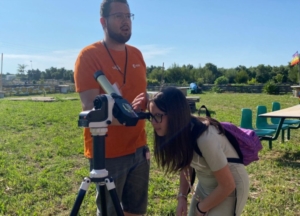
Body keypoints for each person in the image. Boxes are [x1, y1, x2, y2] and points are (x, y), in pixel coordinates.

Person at [74, 0, 149, 215]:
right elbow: (90, 108)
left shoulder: (137, 55)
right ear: (103, 21)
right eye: (119, 16)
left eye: (128, 16)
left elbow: (141, 98)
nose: (126, 21)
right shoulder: (88, 56)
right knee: (110, 212)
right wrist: (128, 118)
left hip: (139, 148)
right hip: (107, 154)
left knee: (136, 211)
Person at [148, 87, 249, 216]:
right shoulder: (179, 133)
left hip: (230, 188)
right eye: (151, 116)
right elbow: (185, 164)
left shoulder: (205, 138)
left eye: (158, 116)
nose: (153, 122)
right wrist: (182, 197)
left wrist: (201, 208)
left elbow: (228, 185)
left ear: (175, 114)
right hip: (205, 184)